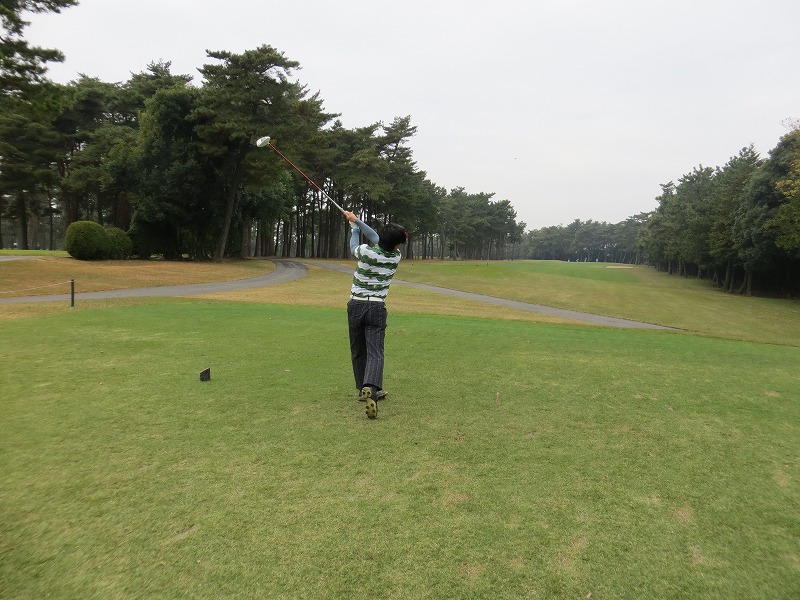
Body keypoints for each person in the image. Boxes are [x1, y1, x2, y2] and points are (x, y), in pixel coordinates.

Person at [343, 210, 408, 419]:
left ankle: (363, 389)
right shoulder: (396, 257)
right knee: (375, 352)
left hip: (356, 305)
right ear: (396, 244)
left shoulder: (365, 252)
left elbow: (355, 245)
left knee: (358, 350)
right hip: (377, 308)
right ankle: (372, 388)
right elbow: (375, 236)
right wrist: (356, 220)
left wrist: (354, 229)